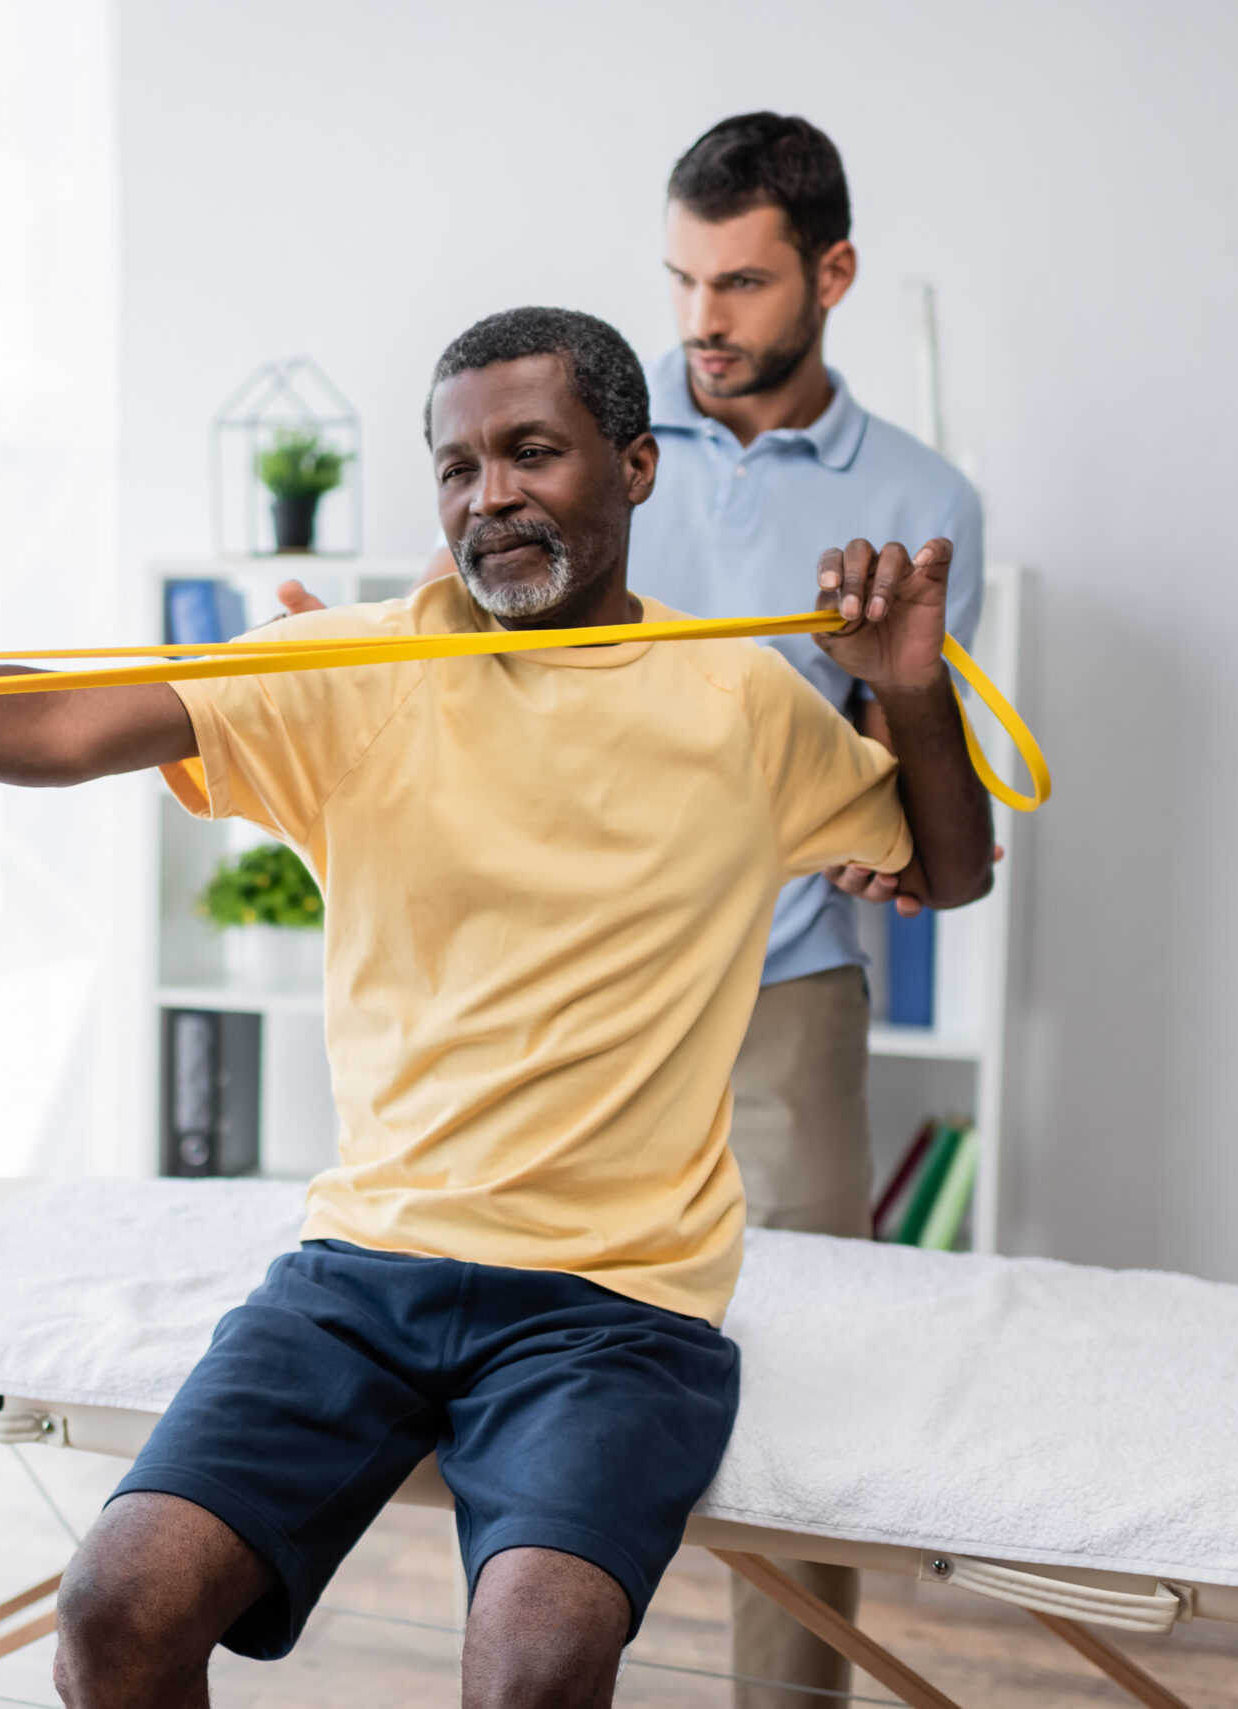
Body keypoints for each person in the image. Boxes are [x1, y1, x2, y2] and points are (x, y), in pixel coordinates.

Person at [0, 306, 995, 1709]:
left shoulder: (740, 705)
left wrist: (908, 689)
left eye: (532, 450)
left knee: (534, 1664)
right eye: (457, 464)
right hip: (365, 1269)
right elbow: (57, 715)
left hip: (617, 1306)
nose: (490, 496)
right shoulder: (347, 668)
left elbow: (947, 862)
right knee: (115, 1609)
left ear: (636, 467)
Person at [279, 115, 987, 1704]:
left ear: (833, 276)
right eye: (681, 280)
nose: (702, 322)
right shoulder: (577, 424)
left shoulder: (922, 493)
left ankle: (786, 1696)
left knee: (812, 1378)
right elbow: (503, 656)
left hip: (784, 981)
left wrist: (878, 768)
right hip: (561, 986)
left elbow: (903, 782)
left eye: (739, 283)